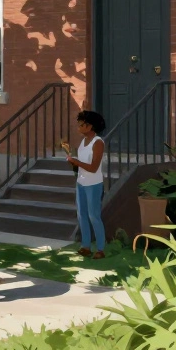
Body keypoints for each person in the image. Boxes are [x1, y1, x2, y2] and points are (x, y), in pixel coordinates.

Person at [66, 110, 108, 259]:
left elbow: (93, 167)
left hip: (93, 184)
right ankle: (85, 246)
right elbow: (82, 164)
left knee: (93, 216)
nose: (79, 127)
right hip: (81, 183)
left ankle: (100, 249)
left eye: (81, 124)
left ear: (90, 126)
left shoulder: (98, 143)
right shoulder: (83, 142)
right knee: (82, 215)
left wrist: (76, 162)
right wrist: (74, 163)